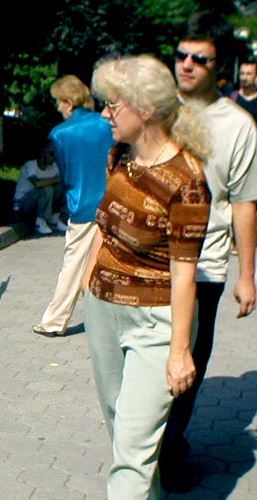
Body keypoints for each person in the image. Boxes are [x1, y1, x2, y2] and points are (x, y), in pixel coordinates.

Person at [84, 54, 212, 500]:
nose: (104, 113)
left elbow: (184, 272)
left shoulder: (187, 181)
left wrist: (180, 351)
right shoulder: (121, 155)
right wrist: (88, 280)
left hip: (155, 322)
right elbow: (105, 225)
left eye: (112, 104)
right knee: (122, 431)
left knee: (133, 453)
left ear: (146, 109)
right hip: (103, 310)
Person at [159, 12, 257, 492]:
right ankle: (145, 449)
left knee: (186, 369)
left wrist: (247, 275)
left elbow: (244, 202)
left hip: (204, 267)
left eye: (200, 59)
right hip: (149, 262)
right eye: (182, 55)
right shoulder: (156, 109)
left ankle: (170, 449)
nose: (187, 65)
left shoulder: (239, 126)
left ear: (220, 68)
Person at [31, 75, 114, 337]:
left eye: (59, 101)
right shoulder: (106, 123)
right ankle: (111, 318)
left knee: (74, 263)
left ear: (68, 102)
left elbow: (65, 174)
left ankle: (55, 321)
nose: (57, 107)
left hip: (82, 204)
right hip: (113, 201)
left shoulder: (59, 134)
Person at [12, 142, 67, 235]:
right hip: (23, 203)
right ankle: (40, 221)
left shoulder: (54, 167)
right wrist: (56, 180)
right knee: (47, 189)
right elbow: (37, 183)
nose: (54, 157)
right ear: (42, 153)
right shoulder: (30, 165)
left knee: (63, 188)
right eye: (51, 154)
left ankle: (54, 218)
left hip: (41, 203)